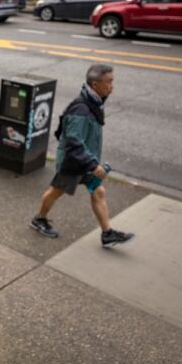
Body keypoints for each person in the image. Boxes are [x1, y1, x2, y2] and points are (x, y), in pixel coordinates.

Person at [30, 64, 135, 249]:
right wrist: (94, 165)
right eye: (109, 81)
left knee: (98, 191)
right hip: (73, 161)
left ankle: (107, 234)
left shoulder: (94, 101)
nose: (112, 86)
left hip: (85, 161)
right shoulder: (81, 110)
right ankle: (39, 219)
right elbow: (73, 143)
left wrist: (91, 163)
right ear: (95, 85)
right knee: (56, 192)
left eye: (112, 81)